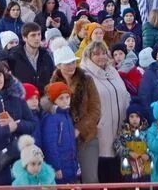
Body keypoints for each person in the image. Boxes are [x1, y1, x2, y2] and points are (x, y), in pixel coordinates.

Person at [80, 40, 131, 182]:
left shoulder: (113, 71)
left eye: (104, 53)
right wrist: (95, 124)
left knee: (119, 177)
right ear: (88, 56)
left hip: (120, 132)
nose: (101, 57)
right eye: (96, 54)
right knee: (104, 177)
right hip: (100, 135)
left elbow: (125, 94)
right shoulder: (84, 76)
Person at [49, 45, 101, 182]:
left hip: (87, 138)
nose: (71, 66)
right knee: (67, 180)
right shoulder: (52, 84)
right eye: (67, 63)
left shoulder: (86, 80)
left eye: (73, 62)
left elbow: (95, 110)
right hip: (63, 140)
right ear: (58, 65)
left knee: (90, 179)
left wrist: (79, 129)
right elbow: (50, 109)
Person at [115, 101, 151, 182]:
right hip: (128, 170)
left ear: (141, 118)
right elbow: (117, 146)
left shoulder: (147, 133)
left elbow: (153, 147)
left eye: (137, 116)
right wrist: (129, 153)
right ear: (128, 118)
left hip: (145, 170)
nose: (134, 119)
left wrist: (148, 155)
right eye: (131, 116)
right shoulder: (124, 133)